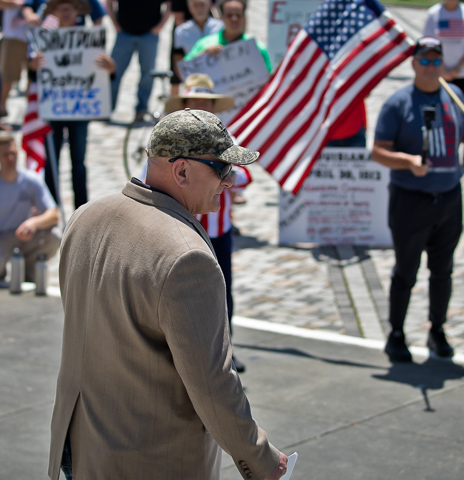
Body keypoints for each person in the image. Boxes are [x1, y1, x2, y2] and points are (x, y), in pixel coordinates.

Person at [47, 109, 288, 480]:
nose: (229, 182)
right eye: (221, 169)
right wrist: (260, 459)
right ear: (181, 171)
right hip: (150, 460)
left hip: (80, 450)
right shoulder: (187, 256)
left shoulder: (84, 218)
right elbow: (212, 382)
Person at [371, 37, 464, 363]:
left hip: (449, 196)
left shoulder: (454, 95)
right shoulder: (399, 103)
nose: (431, 67)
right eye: (425, 61)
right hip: (411, 199)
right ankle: (396, 333)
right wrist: (408, 162)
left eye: (437, 61)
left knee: (443, 269)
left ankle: (437, 329)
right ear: (414, 63)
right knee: (406, 269)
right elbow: (378, 152)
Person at [161, 73, 250, 371]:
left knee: (222, 291)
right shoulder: (169, 138)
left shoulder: (226, 138)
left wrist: (224, 174)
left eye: (205, 101)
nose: (199, 105)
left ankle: (227, 349)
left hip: (217, 232)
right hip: (182, 229)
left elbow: (245, 176)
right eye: (194, 100)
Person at [37, 0, 116, 209]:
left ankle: (81, 209)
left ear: (77, 12)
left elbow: (102, 76)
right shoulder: (45, 39)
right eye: (61, 8)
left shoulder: (90, 40)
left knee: (78, 164)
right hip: (53, 108)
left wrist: (110, 68)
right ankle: (50, 209)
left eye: (69, 8)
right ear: (53, 12)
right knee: (51, 162)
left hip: (80, 109)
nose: (65, 12)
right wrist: (33, 65)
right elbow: (33, 75)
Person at [0, 134, 61, 290]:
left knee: (55, 236)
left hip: (25, 236)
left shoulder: (31, 180)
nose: (10, 158)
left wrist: (34, 222)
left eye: (13, 154)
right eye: (5, 155)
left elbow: (54, 214)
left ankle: (29, 269)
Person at [423, 0, 464, 167]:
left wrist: (458, 67)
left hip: (463, 72)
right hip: (438, 71)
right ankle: (441, 148)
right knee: (440, 111)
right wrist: (441, 68)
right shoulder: (434, 13)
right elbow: (427, 42)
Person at [105, 0, 171, 122]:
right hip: (124, 33)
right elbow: (109, 2)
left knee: (147, 74)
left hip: (149, 34)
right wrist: (115, 24)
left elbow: (169, 5)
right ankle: (107, 109)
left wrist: (160, 26)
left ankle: (141, 109)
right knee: (113, 72)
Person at [185, 0, 271, 73]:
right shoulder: (204, 44)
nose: (234, 19)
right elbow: (185, 70)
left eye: (238, 15)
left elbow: (268, 77)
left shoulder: (257, 48)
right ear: (221, 17)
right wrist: (203, 55)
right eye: (229, 15)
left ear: (244, 17)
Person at [0, 0, 41, 119]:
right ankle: (0, 111)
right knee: (8, 76)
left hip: (36, 36)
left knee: (33, 76)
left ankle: (30, 111)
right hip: (13, 35)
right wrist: (20, 4)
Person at [172, 0, 223, 89]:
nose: (199, 8)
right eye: (195, 5)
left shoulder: (221, 26)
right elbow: (177, 58)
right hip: (194, 79)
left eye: (202, 4)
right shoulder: (181, 31)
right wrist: (185, 80)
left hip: (220, 77)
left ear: (209, 5)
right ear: (189, 8)